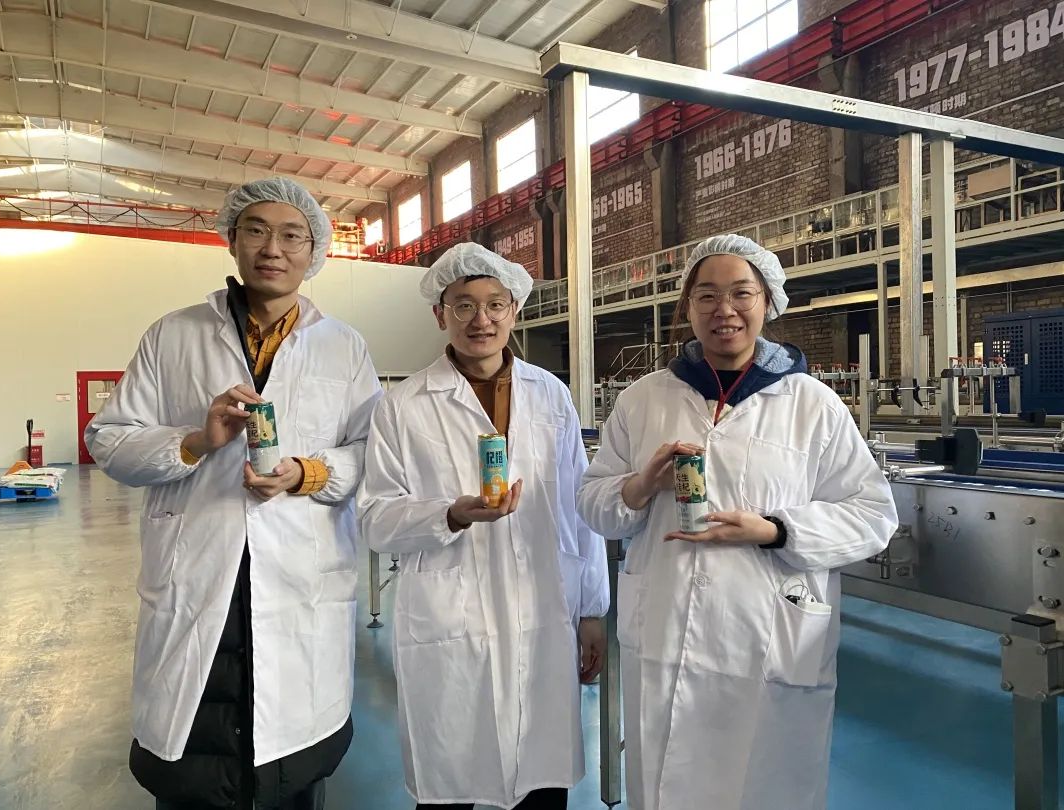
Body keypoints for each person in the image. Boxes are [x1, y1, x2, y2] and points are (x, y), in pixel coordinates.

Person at [85, 177, 382, 809]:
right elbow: (108, 440)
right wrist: (195, 441)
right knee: (193, 771)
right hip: (197, 576)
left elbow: (371, 452)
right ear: (231, 240)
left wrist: (308, 473)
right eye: (256, 230)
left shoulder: (344, 346)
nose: (273, 248)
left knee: (294, 772)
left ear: (314, 251)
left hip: (301, 577)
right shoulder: (173, 335)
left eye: (292, 235)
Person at [576, 234, 898, 810]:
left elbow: (872, 514)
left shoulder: (813, 404)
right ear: (687, 306)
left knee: (764, 783)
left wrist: (776, 530)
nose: (724, 310)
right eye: (707, 295)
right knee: (670, 781)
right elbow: (593, 503)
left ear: (768, 302)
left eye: (741, 293)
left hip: (766, 636)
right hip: (666, 630)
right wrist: (640, 486)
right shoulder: (643, 400)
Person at [356, 242, 609, 810]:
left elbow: (579, 508)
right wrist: (449, 515)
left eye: (496, 304)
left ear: (514, 311)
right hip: (451, 617)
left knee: (540, 783)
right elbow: (375, 517)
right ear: (439, 314)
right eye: (464, 305)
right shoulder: (404, 405)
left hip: (542, 609)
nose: (481, 320)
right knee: (452, 780)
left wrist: (592, 610)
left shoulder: (551, 395)